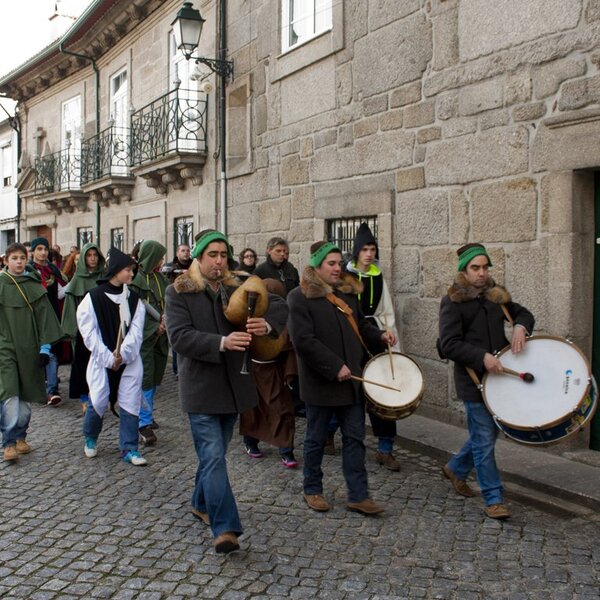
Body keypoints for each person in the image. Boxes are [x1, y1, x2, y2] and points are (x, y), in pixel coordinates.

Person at [165, 229, 288, 554]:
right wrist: (221, 342)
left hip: (234, 387)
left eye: (223, 255)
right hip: (201, 388)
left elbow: (278, 304)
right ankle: (225, 528)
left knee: (213, 455)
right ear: (198, 258)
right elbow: (179, 338)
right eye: (212, 255)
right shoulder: (178, 292)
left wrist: (267, 325)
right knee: (214, 456)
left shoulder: (241, 283)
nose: (219, 261)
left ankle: (199, 503)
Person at [287, 241, 397, 515]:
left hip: (352, 383)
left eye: (339, 263)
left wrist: (380, 335)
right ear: (317, 266)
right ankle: (312, 489)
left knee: (355, 438)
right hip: (321, 383)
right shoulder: (299, 297)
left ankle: (358, 495)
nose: (338, 268)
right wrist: (334, 366)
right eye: (331, 264)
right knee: (315, 439)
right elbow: (303, 340)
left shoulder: (348, 295)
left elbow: (361, 326)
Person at [438, 243, 534, 520]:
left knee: (489, 435)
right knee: (483, 437)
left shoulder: (496, 296)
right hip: (473, 380)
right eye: (475, 268)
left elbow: (523, 313)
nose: (482, 273)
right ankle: (493, 497)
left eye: (485, 267)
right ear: (464, 271)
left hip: (500, 379)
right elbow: (449, 344)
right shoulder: (453, 301)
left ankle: (456, 467)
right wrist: (481, 357)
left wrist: (519, 326)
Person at [337, 223, 401, 471]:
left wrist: (389, 337)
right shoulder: (344, 276)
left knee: (380, 392)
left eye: (372, 248)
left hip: (373, 337)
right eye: (364, 249)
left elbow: (386, 311)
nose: (369, 253)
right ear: (356, 251)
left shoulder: (377, 276)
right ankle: (333, 436)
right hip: (349, 337)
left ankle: (385, 448)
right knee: (345, 389)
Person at [76, 248, 147, 466]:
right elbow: (88, 333)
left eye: (132, 270)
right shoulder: (93, 298)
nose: (131, 274)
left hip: (129, 361)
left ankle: (129, 448)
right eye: (128, 270)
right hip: (101, 360)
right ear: (115, 271)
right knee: (97, 400)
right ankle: (90, 437)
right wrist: (108, 358)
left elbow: (136, 332)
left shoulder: (134, 299)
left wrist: (123, 355)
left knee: (130, 401)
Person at [0, 243, 64, 461]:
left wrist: (45, 348)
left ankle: (20, 436)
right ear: (6, 260)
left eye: (21, 258)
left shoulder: (33, 283)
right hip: (5, 348)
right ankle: (8, 443)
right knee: (9, 395)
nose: (18, 262)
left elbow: (45, 318)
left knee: (25, 401)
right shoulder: (1, 284)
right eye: (14, 258)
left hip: (29, 348)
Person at [239, 278, 298, 467]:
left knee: (281, 409)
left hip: (274, 370)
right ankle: (250, 442)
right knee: (251, 409)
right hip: (252, 369)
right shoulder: (249, 314)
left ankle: (286, 449)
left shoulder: (282, 315)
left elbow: (288, 342)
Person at [130, 240, 169, 446]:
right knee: (145, 377)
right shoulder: (136, 282)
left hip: (161, 336)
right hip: (145, 338)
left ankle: (148, 413)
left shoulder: (160, 278)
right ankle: (142, 423)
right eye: (159, 257)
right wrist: (154, 327)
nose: (162, 261)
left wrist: (165, 322)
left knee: (155, 376)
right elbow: (135, 313)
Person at [61, 243, 106, 412]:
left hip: (102, 328)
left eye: (95, 255)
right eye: (89, 255)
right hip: (82, 331)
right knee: (82, 363)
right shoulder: (77, 280)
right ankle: (84, 396)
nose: (92, 258)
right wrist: (72, 331)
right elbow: (71, 307)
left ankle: (100, 394)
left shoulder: (105, 277)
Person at [29, 237, 69, 405]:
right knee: (34, 352)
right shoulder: (27, 270)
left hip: (52, 315)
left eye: (45, 249)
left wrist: (76, 284)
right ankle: (37, 386)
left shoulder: (53, 269)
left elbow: (61, 292)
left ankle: (51, 390)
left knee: (52, 351)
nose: (43, 252)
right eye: (39, 249)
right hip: (32, 316)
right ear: (33, 251)